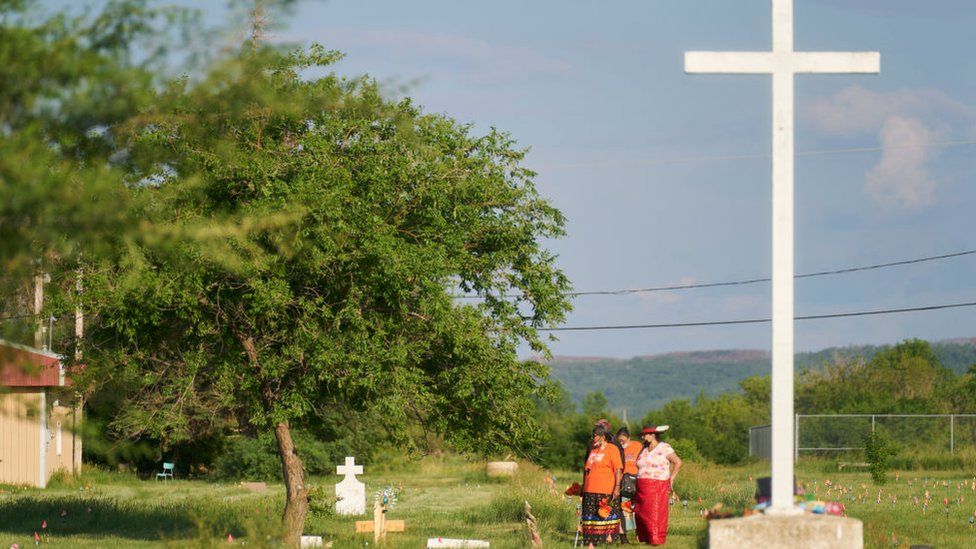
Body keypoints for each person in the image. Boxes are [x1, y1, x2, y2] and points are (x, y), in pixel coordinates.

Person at [632, 425, 682, 546]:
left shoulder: (664, 447)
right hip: (641, 486)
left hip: (657, 484)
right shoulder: (643, 449)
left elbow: (678, 462)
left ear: (652, 435)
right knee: (641, 512)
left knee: (654, 512)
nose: (643, 437)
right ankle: (646, 537)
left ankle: (656, 539)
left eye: (645, 435)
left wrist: (672, 478)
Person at [581, 425, 623, 546]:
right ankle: (590, 543)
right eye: (593, 435)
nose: (593, 438)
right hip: (589, 489)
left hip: (605, 489)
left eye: (595, 435)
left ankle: (606, 541)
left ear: (603, 437)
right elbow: (587, 469)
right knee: (590, 517)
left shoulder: (612, 449)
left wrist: (617, 487)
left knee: (604, 515)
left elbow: (617, 470)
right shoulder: (593, 450)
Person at [617, 427, 642, 539]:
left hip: (636, 480)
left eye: (623, 440)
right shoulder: (618, 448)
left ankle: (639, 534)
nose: (622, 443)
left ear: (629, 438)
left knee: (638, 508)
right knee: (624, 508)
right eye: (620, 441)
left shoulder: (637, 446)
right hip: (623, 482)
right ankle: (624, 535)